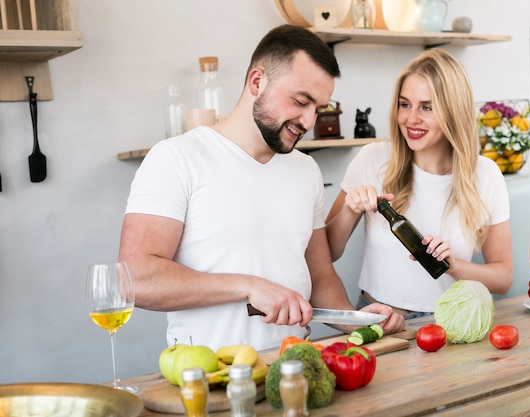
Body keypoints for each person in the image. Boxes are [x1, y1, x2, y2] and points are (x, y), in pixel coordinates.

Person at [118, 24, 404, 351]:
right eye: (300, 101)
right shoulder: (176, 158)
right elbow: (134, 280)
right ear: (257, 82)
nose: (309, 122)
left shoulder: (305, 170)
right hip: (211, 375)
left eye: (318, 109)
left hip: (296, 366)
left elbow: (320, 276)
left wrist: (359, 319)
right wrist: (249, 286)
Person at [325, 48, 513, 318]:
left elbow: (503, 277)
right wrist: (349, 210)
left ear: (453, 112)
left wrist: (452, 266)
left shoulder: (485, 175)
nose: (411, 119)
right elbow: (326, 253)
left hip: (449, 326)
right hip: (377, 320)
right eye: (405, 104)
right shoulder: (372, 159)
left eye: (427, 107)